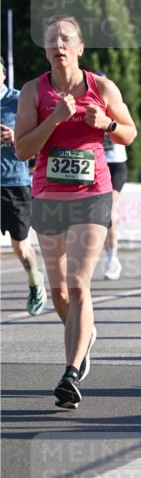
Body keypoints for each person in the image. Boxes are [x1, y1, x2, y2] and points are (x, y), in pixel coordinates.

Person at [14, 16, 136, 409]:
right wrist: (55, 118)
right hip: (48, 197)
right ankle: (85, 334)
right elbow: (22, 149)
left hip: (91, 194)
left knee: (80, 283)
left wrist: (108, 124)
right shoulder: (33, 91)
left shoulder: (102, 87)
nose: (58, 46)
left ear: (80, 47)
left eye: (65, 39)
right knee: (60, 292)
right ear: (45, 50)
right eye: (51, 40)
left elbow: (130, 132)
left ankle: (70, 372)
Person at [1, 56, 47, 314]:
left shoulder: (19, 100)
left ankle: (35, 283)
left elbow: (38, 140)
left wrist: (13, 137)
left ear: (3, 74)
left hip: (14, 183)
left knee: (20, 246)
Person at [101, 104, 129, 281]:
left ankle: (112, 258)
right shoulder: (83, 103)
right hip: (92, 163)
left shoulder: (117, 104)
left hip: (115, 164)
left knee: (109, 211)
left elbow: (130, 133)